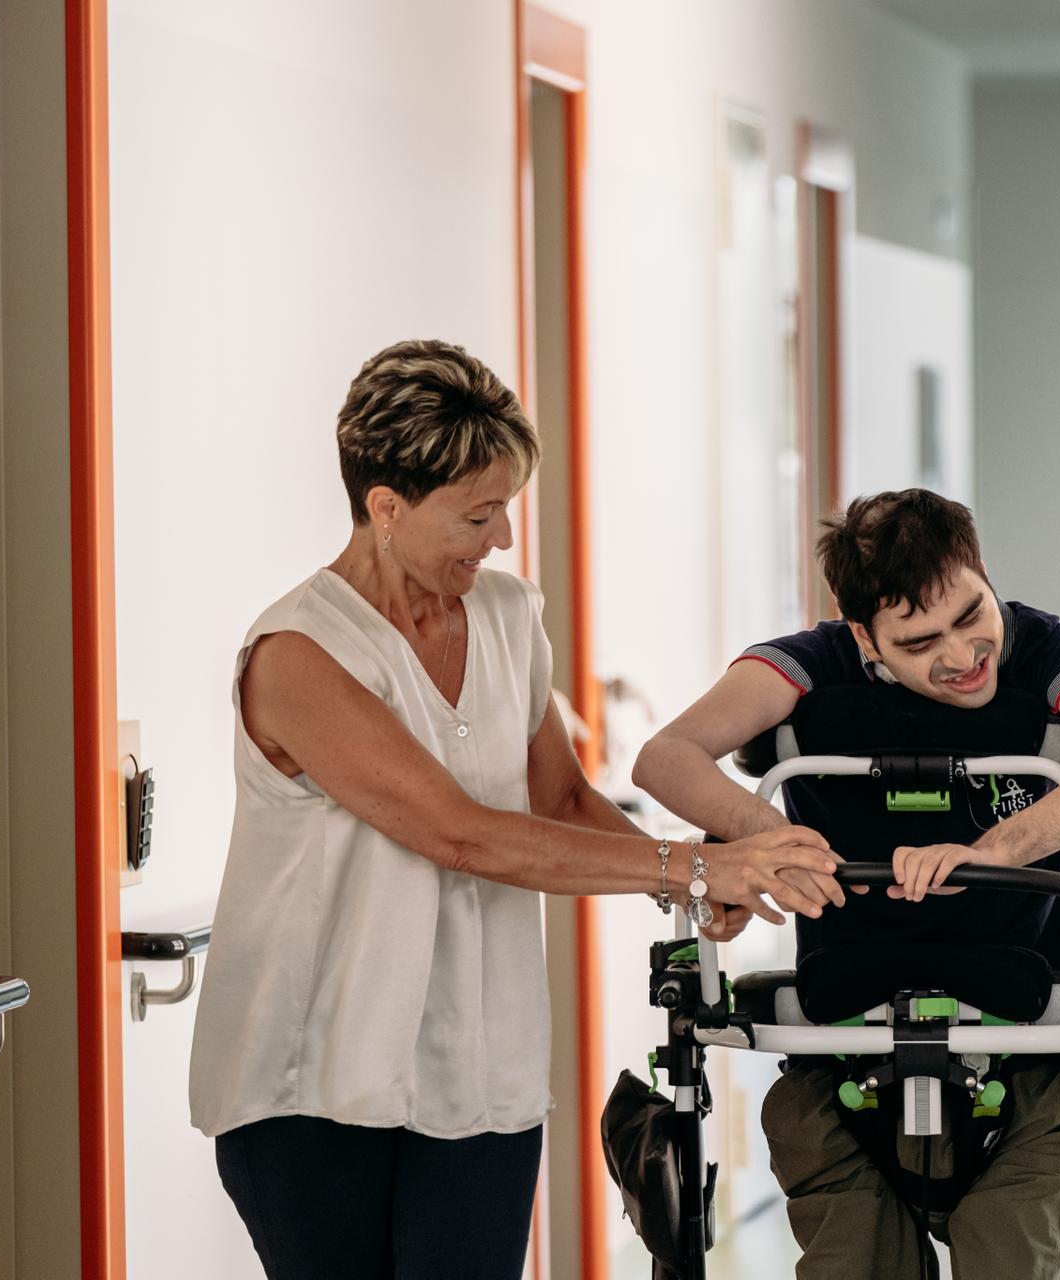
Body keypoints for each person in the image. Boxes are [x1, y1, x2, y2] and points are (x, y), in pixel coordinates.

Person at [188, 339, 843, 1279]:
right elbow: (456, 833)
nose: (499, 538)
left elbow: (562, 796)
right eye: (478, 514)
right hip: (312, 1077)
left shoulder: (503, 614)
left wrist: (691, 894)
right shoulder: (299, 653)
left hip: (478, 1066)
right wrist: (698, 865)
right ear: (385, 507)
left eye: (506, 511)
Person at [633, 488, 1060, 1279]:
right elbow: (665, 757)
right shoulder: (813, 660)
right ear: (863, 637)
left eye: (971, 615)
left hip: (1030, 1051)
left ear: (981, 571)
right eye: (919, 642)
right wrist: (768, 843)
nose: (961, 654)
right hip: (842, 1042)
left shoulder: (1057, 650)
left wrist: (989, 851)